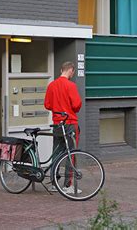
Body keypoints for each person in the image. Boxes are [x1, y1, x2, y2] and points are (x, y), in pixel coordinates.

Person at [44, 61, 82, 191]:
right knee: (71, 153)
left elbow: (47, 105)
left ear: (61, 70)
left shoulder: (52, 85)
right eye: (73, 72)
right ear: (71, 70)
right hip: (70, 123)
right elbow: (77, 105)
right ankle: (68, 185)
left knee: (56, 152)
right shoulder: (71, 86)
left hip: (57, 124)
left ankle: (54, 183)